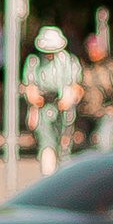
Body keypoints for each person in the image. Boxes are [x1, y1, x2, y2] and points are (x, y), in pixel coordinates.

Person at [26, 20, 83, 172]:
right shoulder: (34, 62)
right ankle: (48, 175)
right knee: (46, 144)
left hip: (64, 109)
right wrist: (34, 102)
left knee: (64, 145)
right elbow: (29, 86)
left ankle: (64, 178)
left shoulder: (69, 61)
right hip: (44, 108)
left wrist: (68, 99)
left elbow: (76, 86)